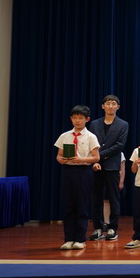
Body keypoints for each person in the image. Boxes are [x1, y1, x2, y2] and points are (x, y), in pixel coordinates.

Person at [55, 105, 100, 250]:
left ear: (87, 119)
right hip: (68, 171)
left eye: (80, 118)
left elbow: (96, 157)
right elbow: (58, 155)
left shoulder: (91, 136)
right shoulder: (65, 136)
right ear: (71, 119)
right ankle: (68, 238)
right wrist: (61, 160)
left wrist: (81, 159)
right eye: (74, 118)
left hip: (83, 172)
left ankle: (80, 239)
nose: (77, 121)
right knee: (69, 205)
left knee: (82, 205)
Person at [89, 95, 128, 242]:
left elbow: (120, 145)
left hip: (112, 165)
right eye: (108, 103)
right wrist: (95, 160)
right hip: (96, 165)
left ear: (118, 107)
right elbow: (91, 143)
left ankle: (113, 228)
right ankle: (98, 227)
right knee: (96, 198)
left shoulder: (123, 124)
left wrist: (99, 156)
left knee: (113, 197)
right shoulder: (94, 124)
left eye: (113, 104)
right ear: (103, 106)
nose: (111, 106)